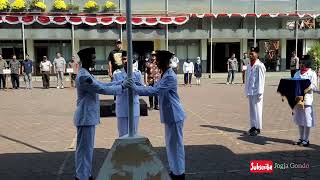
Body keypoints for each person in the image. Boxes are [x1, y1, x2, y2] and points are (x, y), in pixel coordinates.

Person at [74, 47, 131, 180]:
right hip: (85, 117)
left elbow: (102, 84)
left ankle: (85, 174)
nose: (95, 60)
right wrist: (122, 87)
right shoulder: (83, 76)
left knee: (87, 150)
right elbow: (101, 89)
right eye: (92, 58)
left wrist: (120, 82)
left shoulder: (87, 74)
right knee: (84, 151)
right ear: (85, 59)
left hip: (88, 117)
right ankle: (82, 176)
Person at [130, 50, 186, 180]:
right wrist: (138, 85)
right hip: (170, 115)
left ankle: (179, 174)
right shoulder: (164, 74)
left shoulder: (170, 76)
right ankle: (175, 171)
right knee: (171, 146)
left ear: (164, 62)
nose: (155, 63)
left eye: (157, 60)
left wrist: (135, 88)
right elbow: (152, 87)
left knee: (176, 147)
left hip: (174, 115)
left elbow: (155, 90)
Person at [113, 51, 142, 137]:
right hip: (122, 106)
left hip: (134, 106)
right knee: (122, 134)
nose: (126, 61)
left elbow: (140, 90)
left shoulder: (137, 73)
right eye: (124, 59)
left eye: (127, 59)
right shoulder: (116, 74)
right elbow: (114, 90)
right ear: (121, 60)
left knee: (134, 134)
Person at [293, 60, 317, 147]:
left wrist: (305, 89)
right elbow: (294, 83)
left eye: (303, 63)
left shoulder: (312, 73)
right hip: (298, 98)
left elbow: (314, 86)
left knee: (307, 120)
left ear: (307, 64)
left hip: (307, 99)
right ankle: (301, 138)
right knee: (299, 119)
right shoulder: (297, 73)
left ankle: (306, 139)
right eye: (301, 63)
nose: (301, 65)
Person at [245, 47, 266, 136]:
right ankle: (253, 126)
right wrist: (246, 90)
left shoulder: (260, 65)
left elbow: (261, 79)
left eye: (252, 54)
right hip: (250, 91)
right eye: (250, 54)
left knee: (258, 109)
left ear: (257, 55)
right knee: (252, 110)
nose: (250, 55)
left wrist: (260, 92)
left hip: (257, 92)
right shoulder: (249, 65)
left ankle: (258, 127)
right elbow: (248, 79)